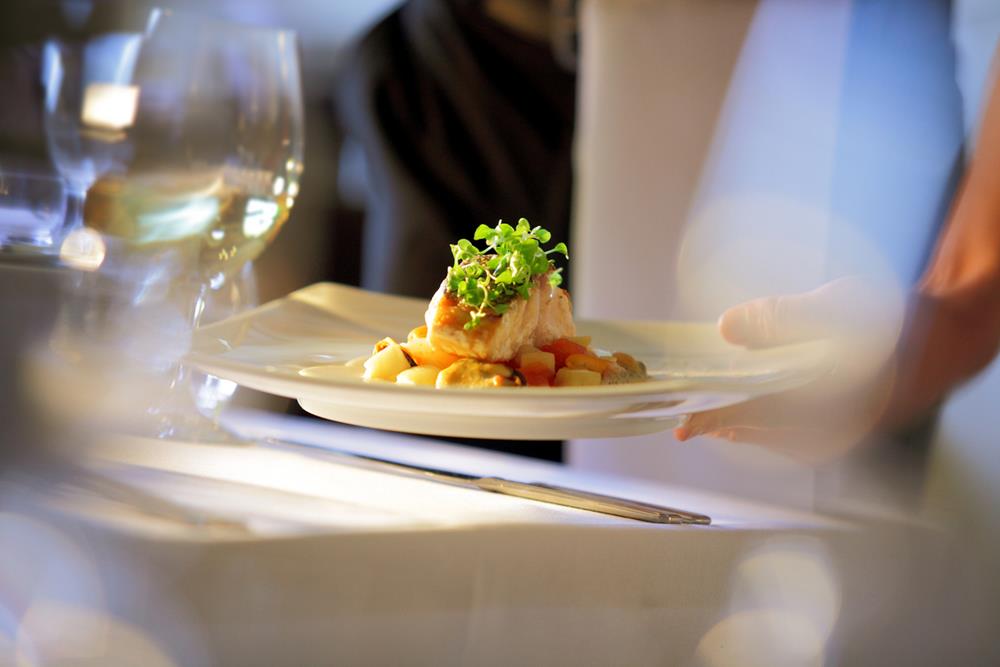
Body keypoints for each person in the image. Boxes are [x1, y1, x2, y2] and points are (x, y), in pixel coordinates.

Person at [334, 0, 999, 475]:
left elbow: (964, 297)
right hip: (475, 80)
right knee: (422, 511)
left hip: (812, 74)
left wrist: (959, 315)